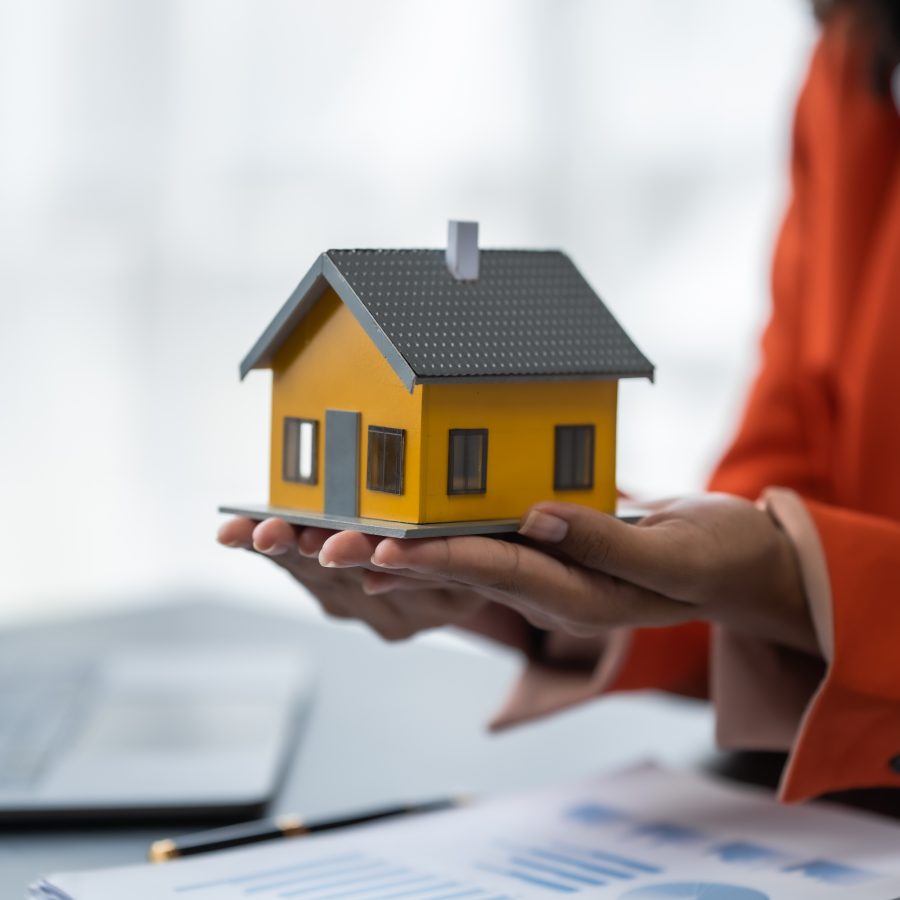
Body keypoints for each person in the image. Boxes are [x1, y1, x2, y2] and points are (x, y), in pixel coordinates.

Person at [219, 1, 900, 803]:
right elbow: (767, 521)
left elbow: (778, 558)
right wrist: (523, 598)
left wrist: (790, 580)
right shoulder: (853, 60)